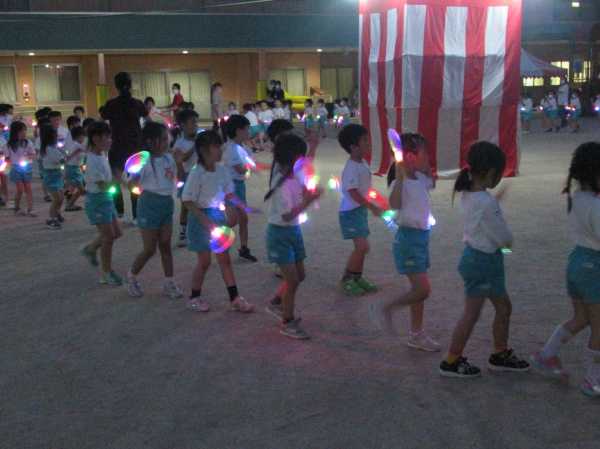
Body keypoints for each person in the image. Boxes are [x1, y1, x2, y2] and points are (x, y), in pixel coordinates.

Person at [439, 141, 530, 378]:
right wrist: (508, 246)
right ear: (490, 173)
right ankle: (451, 360)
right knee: (472, 313)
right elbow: (502, 236)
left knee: (503, 307)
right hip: (483, 263)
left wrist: (495, 202)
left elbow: (484, 215)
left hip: (480, 260)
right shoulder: (485, 202)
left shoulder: (471, 194)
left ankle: (500, 353)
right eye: (499, 174)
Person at [530, 142, 600, 397]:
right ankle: (593, 379)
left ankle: (547, 354)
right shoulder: (596, 204)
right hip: (594, 267)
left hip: (577, 263)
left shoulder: (578, 197)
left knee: (581, 318)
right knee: (599, 327)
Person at [371, 133, 440, 351]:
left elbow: (432, 183)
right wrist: (401, 176)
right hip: (408, 241)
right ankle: (387, 308)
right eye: (425, 153)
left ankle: (416, 334)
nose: (428, 157)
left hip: (421, 238)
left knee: (418, 291)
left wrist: (426, 170)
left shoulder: (420, 178)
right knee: (423, 290)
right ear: (410, 157)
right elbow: (394, 204)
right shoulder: (399, 183)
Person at [181, 130, 254, 313]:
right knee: (204, 262)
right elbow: (187, 200)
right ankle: (194, 297)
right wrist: (205, 221)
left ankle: (235, 298)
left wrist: (242, 207)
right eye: (216, 147)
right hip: (200, 220)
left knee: (225, 260)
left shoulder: (222, 170)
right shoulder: (197, 173)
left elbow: (229, 193)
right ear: (204, 150)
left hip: (217, 217)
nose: (221, 150)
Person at [264, 133, 323, 339]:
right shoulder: (281, 184)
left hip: (293, 231)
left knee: (300, 276)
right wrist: (308, 201)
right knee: (292, 280)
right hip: (279, 234)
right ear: (291, 158)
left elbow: (307, 163)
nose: (304, 161)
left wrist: (313, 146)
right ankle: (287, 322)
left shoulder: (294, 172)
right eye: (301, 157)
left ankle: (276, 302)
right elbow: (287, 215)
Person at [126, 122, 183, 300]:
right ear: (150, 142)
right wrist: (133, 178)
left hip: (166, 204)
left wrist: (179, 162)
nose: (167, 142)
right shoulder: (143, 162)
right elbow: (131, 184)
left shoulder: (169, 159)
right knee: (150, 249)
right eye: (163, 139)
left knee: (165, 245)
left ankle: (169, 282)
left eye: (167, 139)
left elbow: (177, 178)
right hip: (148, 204)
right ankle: (131, 276)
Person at [337, 124, 382, 296]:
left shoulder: (362, 163)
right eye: (364, 140)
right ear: (353, 147)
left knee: (363, 248)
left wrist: (375, 201)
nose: (368, 143)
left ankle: (357, 277)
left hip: (359, 211)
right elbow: (353, 192)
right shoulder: (351, 168)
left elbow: (363, 188)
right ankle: (347, 279)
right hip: (350, 213)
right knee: (362, 247)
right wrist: (371, 206)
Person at [101, 72, 148, 223]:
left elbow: (103, 118)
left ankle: (119, 211)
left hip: (117, 146)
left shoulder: (111, 104)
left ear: (116, 86)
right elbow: (147, 118)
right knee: (135, 180)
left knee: (115, 180)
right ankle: (136, 215)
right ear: (130, 84)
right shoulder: (137, 103)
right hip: (135, 147)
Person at [80, 121, 123, 286]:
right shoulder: (92, 161)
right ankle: (106, 273)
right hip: (97, 201)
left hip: (106, 199)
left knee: (117, 233)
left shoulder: (102, 155)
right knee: (108, 237)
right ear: (96, 138)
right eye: (107, 137)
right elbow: (103, 185)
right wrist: (118, 180)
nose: (110, 140)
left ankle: (90, 249)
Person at [223, 114, 259, 262]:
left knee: (243, 218)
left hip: (238, 186)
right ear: (238, 131)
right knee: (233, 219)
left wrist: (250, 165)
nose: (249, 132)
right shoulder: (231, 149)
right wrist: (250, 166)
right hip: (230, 187)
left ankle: (244, 248)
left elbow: (247, 164)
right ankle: (217, 236)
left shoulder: (241, 147)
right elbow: (240, 169)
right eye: (247, 129)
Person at [173, 108, 199, 247]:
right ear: (183, 125)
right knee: (185, 206)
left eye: (196, 122)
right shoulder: (179, 143)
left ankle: (196, 230)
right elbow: (182, 158)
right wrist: (195, 145)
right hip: (186, 176)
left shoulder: (199, 139)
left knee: (200, 204)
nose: (196, 125)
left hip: (199, 176)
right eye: (192, 122)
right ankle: (183, 232)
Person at [6, 121, 36, 216]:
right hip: (15, 168)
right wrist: (8, 166)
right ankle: (17, 207)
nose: (24, 133)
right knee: (20, 189)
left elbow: (33, 154)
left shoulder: (28, 143)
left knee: (28, 188)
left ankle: (30, 209)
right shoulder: (9, 145)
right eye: (21, 131)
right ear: (15, 132)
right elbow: (7, 158)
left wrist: (28, 157)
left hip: (27, 168)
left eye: (25, 130)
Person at [39, 125, 65, 230]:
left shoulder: (51, 148)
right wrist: (68, 156)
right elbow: (61, 160)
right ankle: (51, 219)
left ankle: (56, 213)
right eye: (55, 135)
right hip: (51, 175)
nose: (57, 137)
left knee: (61, 197)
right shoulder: (50, 149)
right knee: (57, 198)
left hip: (56, 174)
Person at [64, 126, 86, 212]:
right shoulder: (77, 146)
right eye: (83, 136)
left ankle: (70, 204)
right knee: (81, 190)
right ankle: (69, 205)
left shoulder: (75, 145)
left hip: (74, 168)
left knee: (75, 188)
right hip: (73, 169)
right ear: (78, 136)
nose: (84, 138)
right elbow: (87, 150)